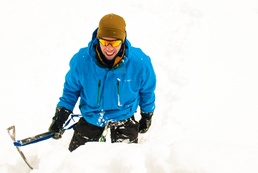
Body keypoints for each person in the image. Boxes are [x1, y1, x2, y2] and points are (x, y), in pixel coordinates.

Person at [48, 13, 156, 152]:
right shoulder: (82, 61)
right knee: (75, 162)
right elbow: (71, 91)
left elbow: (147, 91)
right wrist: (60, 117)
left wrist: (147, 115)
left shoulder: (140, 63)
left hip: (124, 117)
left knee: (124, 163)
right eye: (104, 42)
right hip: (92, 116)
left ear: (123, 40)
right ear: (97, 38)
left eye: (115, 42)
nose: (109, 48)